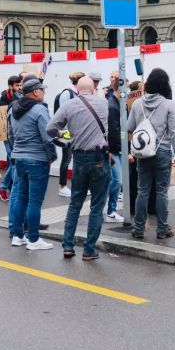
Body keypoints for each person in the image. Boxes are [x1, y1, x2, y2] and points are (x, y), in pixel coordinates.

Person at [47, 76, 110, 260]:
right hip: (99, 157)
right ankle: (89, 250)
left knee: (75, 203)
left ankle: (68, 246)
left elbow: (50, 128)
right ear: (92, 89)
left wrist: (66, 135)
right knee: (97, 206)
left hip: (79, 158)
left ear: (77, 88)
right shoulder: (103, 103)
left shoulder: (69, 105)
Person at [127, 68, 175, 240]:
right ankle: (161, 229)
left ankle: (138, 229)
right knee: (161, 191)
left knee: (142, 190)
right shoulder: (168, 105)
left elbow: (129, 127)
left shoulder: (137, 104)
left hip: (143, 153)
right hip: (163, 151)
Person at [7, 76, 57, 250]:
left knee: (21, 198)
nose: (44, 92)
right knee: (35, 201)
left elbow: (10, 135)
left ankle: (18, 236)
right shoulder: (39, 109)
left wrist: (17, 151)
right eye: (42, 89)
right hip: (37, 159)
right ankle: (34, 239)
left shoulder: (13, 109)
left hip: (19, 157)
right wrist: (52, 156)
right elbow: (47, 136)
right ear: (35, 92)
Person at [54, 72, 84, 198]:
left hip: (76, 132)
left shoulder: (76, 93)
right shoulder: (68, 93)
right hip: (68, 133)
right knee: (66, 159)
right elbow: (63, 114)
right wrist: (67, 136)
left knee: (75, 159)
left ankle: (76, 187)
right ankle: (63, 186)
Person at [105, 73, 123, 223]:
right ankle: (111, 210)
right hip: (114, 150)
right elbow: (113, 130)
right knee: (117, 180)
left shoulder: (117, 104)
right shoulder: (112, 105)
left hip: (117, 149)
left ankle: (111, 209)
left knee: (116, 180)